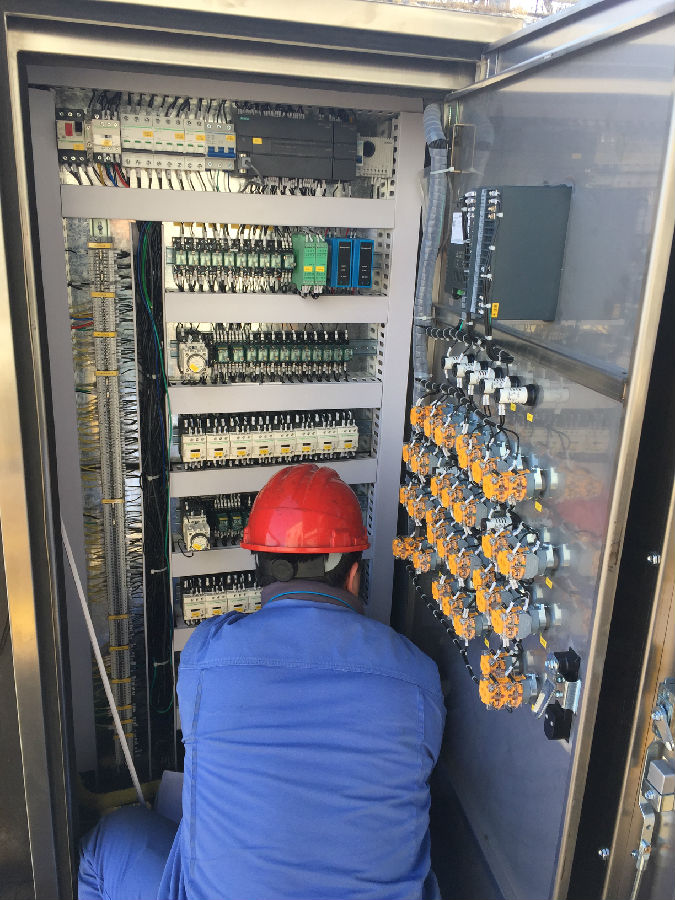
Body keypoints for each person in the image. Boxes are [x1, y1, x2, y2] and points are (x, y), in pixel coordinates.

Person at [79, 464, 445, 900]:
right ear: (353, 575)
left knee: (108, 840)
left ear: (261, 571)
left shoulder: (205, 655)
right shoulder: (418, 677)